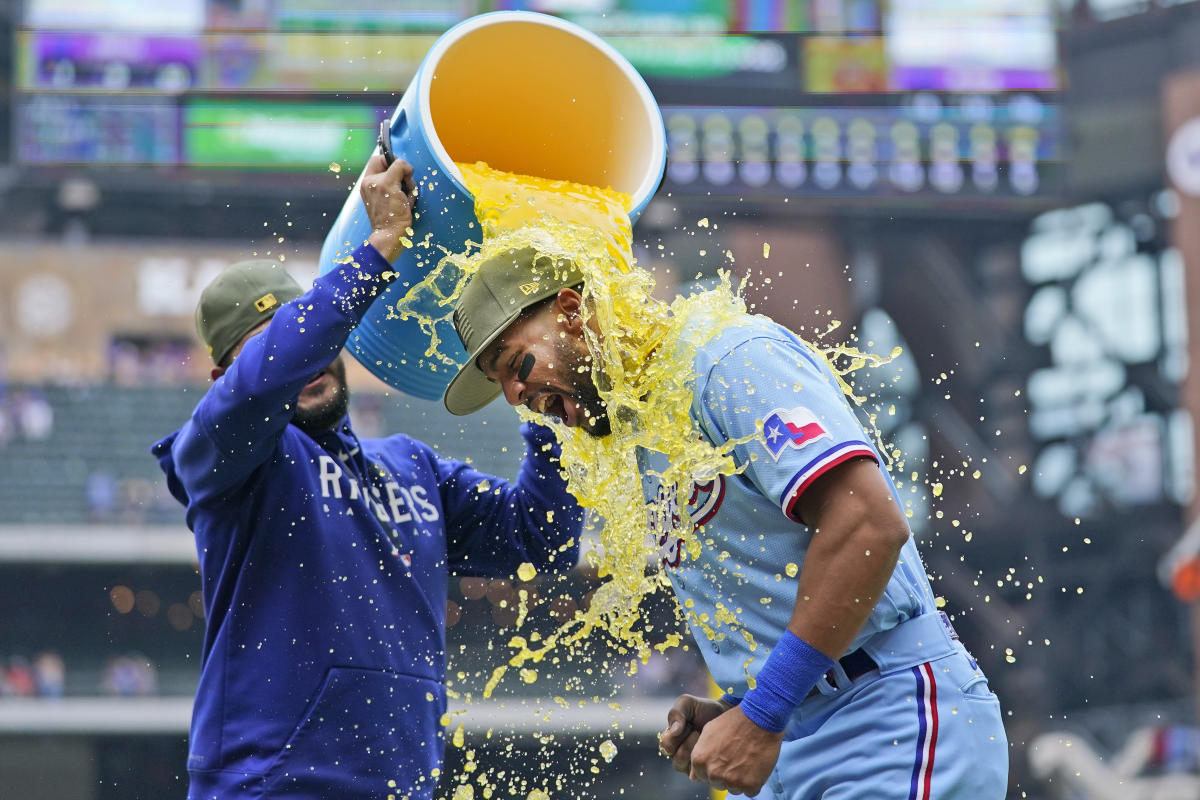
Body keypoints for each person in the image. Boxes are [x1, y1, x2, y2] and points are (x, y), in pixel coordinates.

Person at [441, 246, 1008, 799]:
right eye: (502, 383)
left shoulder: (728, 357)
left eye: (518, 363)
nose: (515, 394)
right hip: (788, 735)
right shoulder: (645, 422)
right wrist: (739, 708)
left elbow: (868, 524)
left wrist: (763, 710)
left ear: (572, 310)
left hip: (883, 718)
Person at [151, 158, 582, 800]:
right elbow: (268, 376)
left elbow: (541, 539)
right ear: (227, 380)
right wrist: (378, 248)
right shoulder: (220, 456)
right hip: (269, 788)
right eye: (268, 345)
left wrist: (554, 401)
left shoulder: (411, 467)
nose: (305, 357)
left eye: (305, 331)